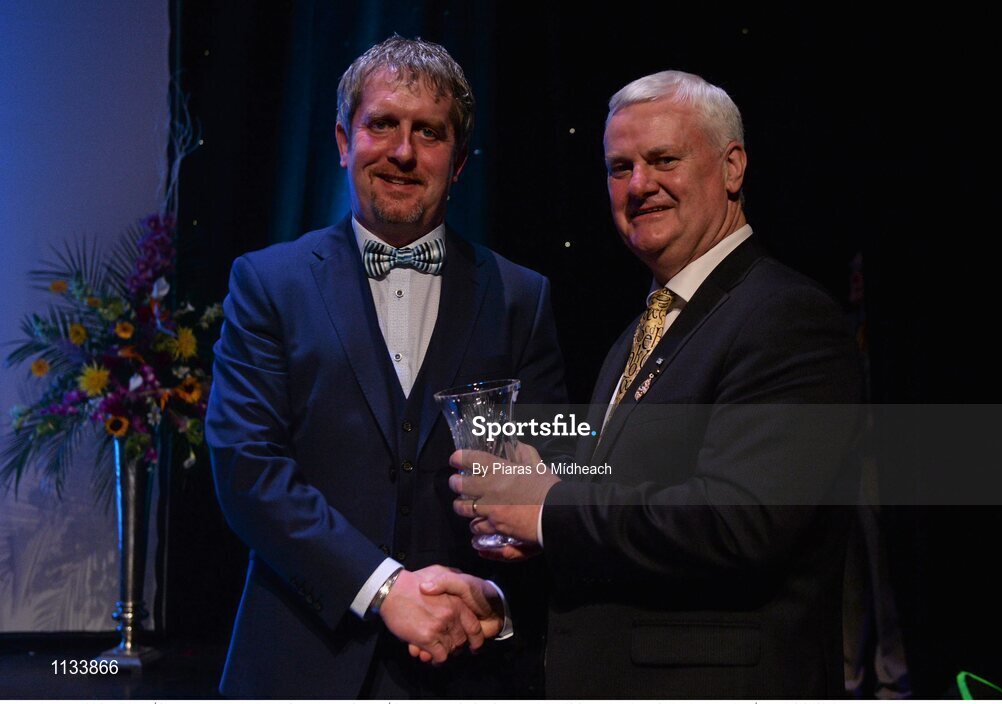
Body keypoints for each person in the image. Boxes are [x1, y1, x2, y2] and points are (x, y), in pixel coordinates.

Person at [446, 70, 863, 698]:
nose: (639, 185)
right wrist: (552, 487)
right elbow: (637, 498)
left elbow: (737, 521)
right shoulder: (642, 330)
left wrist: (547, 510)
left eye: (663, 159)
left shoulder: (787, 317)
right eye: (619, 167)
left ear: (733, 167)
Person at [206, 36, 565, 698]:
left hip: (467, 660)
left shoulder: (520, 296)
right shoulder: (267, 282)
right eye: (383, 125)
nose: (403, 152)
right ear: (344, 142)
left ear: (457, 164)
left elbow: (541, 475)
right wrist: (385, 589)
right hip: (299, 663)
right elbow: (246, 469)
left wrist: (496, 580)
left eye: (429, 132)